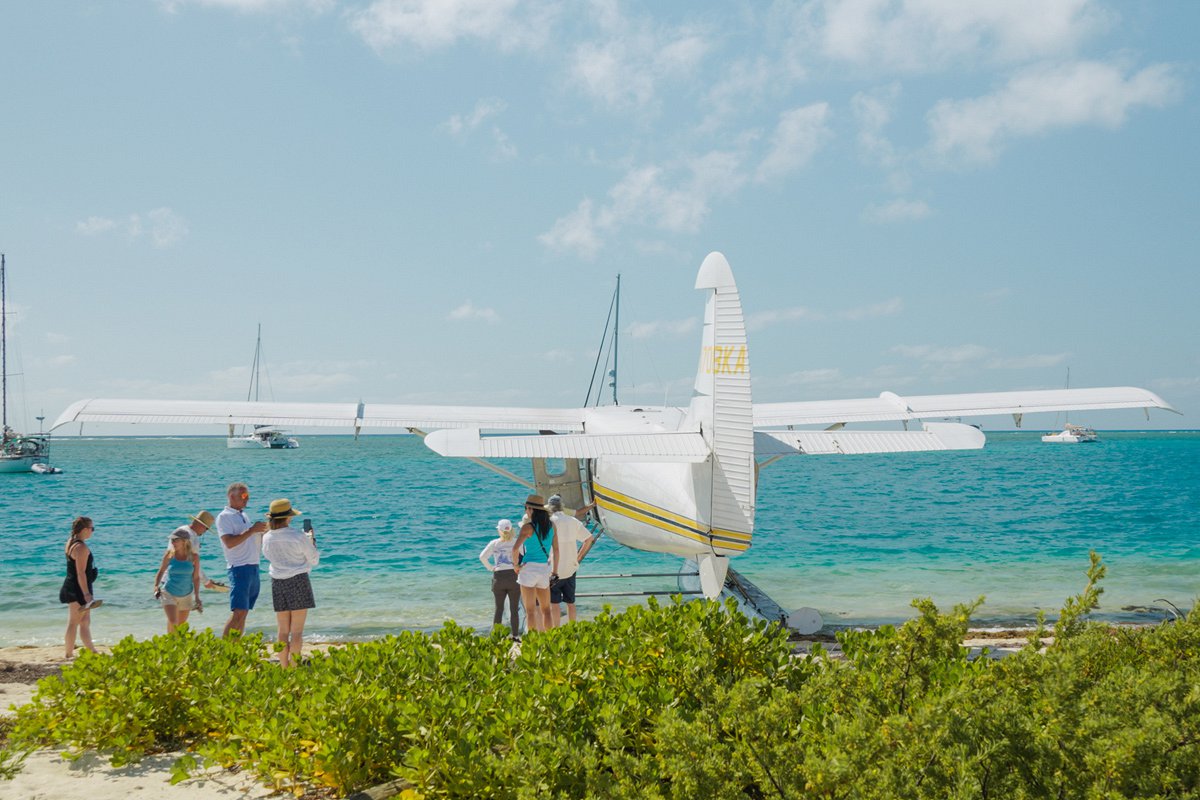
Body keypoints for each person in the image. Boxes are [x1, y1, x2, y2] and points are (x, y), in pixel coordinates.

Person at [261, 499, 319, 668]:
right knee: (297, 632)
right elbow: (313, 560)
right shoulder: (297, 536)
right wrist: (312, 543)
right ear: (288, 517)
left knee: (282, 631)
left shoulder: (267, 538)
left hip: (278, 582)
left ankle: (284, 667)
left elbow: (268, 557)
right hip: (298, 580)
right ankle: (293, 669)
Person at [216, 482, 268, 637]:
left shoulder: (243, 515)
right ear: (231, 496)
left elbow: (249, 538)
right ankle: (225, 650)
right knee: (238, 612)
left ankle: (235, 647)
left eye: (248, 496)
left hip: (252, 567)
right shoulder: (224, 517)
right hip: (239, 567)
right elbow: (229, 542)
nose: (246, 499)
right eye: (243, 496)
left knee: (244, 612)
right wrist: (252, 530)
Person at [547, 494, 597, 625]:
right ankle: (572, 629)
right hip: (571, 567)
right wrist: (579, 556)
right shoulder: (573, 521)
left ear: (550, 508)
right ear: (562, 507)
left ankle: (556, 631)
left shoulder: (548, 523)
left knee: (555, 604)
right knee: (570, 603)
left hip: (553, 570)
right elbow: (589, 539)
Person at [513, 494, 559, 633]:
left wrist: (516, 566)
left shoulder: (527, 527)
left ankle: (533, 644)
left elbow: (515, 549)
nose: (526, 511)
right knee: (546, 610)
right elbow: (556, 550)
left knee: (530, 611)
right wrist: (555, 572)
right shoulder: (551, 526)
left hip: (528, 569)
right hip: (544, 569)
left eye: (526, 508)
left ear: (531, 509)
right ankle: (550, 640)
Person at [59, 516, 100, 658]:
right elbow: (81, 573)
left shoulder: (71, 542)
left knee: (84, 621)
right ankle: (69, 653)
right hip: (78, 588)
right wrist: (86, 594)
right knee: (75, 621)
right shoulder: (81, 547)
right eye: (92, 529)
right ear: (84, 530)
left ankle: (91, 651)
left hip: (73, 585)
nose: (92, 532)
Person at [153, 530, 202, 633]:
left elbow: (196, 578)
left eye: (176, 540)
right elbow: (161, 571)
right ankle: (170, 642)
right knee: (173, 620)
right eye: (172, 540)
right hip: (169, 592)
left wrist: (197, 597)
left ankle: (171, 644)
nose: (173, 543)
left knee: (180, 626)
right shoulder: (169, 555)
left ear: (184, 541)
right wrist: (156, 586)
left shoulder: (194, 557)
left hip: (186, 595)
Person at [479, 518, 520, 639]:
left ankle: (497, 636)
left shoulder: (494, 543)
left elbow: (482, 557)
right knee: (514, 609)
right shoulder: (517, 542)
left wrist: (491, 568)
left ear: (500, 530)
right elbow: (525, 556)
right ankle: (516, 636)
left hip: (499, 577)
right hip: (514, 577)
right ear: (511, 530)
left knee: (499, 609)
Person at [167, 510, 220, 590]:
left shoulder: (180, 529)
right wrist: (206, 581)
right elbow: (194, 564)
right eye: (206, 528)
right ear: (201, 525)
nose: (205, 532)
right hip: (181, 582)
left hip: (167, 578)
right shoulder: (193, 539)